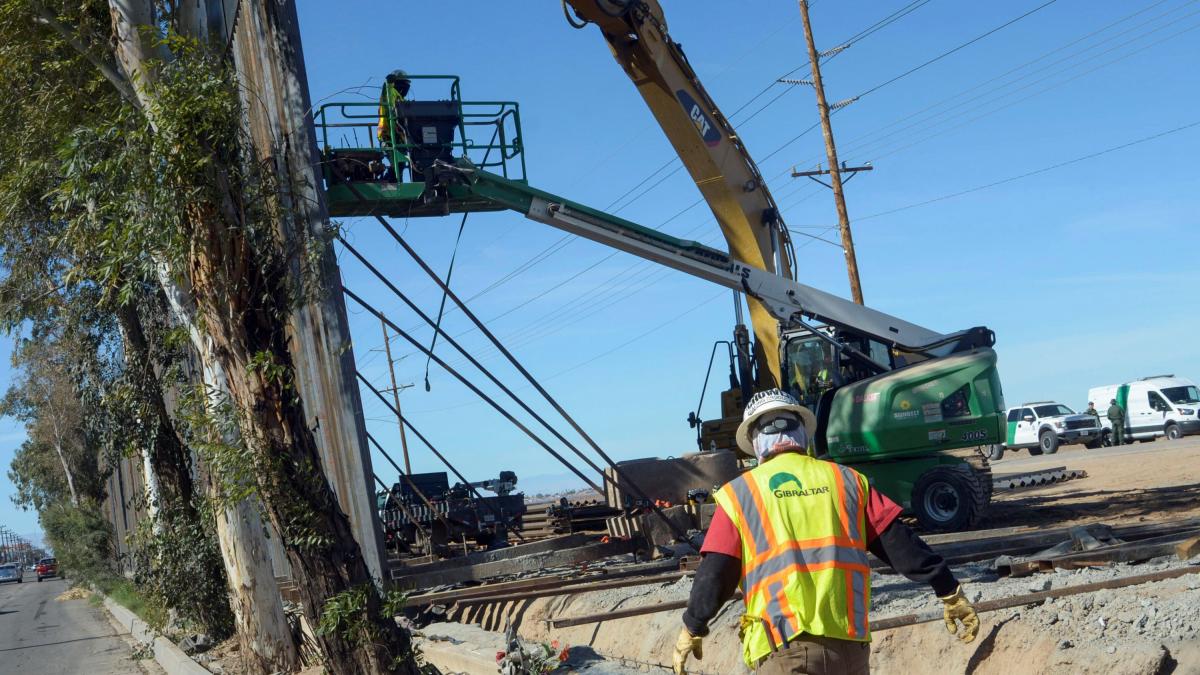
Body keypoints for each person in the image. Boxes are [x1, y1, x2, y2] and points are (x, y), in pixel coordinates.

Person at [672, 389, 979, 675]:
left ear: (754, 440)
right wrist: (948, 590)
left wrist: (693, 626)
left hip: (786, 647)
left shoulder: (741, 494)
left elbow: (716, 573)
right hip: (850, 649)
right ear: (802, 433)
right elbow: (901, 545)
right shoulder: (847, 481)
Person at [377, 69, 412, 180]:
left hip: (399, 138)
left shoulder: (401, 98)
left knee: (400, 165)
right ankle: (387, 183)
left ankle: (391, 182)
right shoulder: (390, 91)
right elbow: (386, 90)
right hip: (388, 135)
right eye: (405, 84)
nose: (406, 87)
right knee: (397, 164)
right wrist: (389, 82)